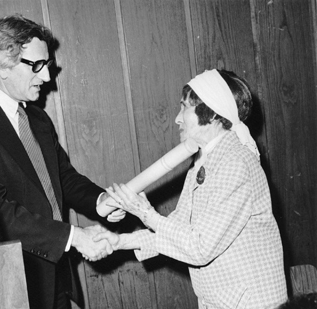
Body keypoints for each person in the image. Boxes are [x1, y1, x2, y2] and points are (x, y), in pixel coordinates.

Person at [0, 14, 123, 309]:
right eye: (37, 66)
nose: (47, 77)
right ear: (2, 65)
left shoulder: (36, 118)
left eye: (47, 66)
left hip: (57, 276)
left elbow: (63, 177)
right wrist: (74, 237)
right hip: (10, 284)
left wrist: (100, 200)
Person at [95, 69, 288, 308]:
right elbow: (179, 230)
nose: (177, 118)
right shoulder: (203, 159)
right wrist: (120, 242)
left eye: (184, 107)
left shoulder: (236, 163)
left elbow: (199, 247)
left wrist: (145, 213)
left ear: (212, 112)